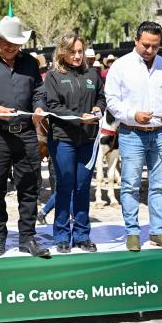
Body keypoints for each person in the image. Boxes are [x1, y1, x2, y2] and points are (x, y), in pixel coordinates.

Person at [0, 14, 50, 258]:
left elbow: (38, 90)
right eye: (6, 41)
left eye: (15, 43)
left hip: (26, 134)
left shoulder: (30, 63)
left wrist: (38, 107)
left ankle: (27, 237)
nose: (11, 46)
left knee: (29, 186)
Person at [104, 21, 162, 252]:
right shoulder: (120, 66)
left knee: (159, 184)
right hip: (131, 133)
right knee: (130, 185)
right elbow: (112, 100)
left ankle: (158, 231)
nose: (149, 50)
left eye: (155, 46)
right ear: (136, 41)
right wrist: (132, 115)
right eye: (145, 45)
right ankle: (132, 232)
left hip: (160, 133)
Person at [43, 32, 106, 253]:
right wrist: (78, 117)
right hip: (63, 139)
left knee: (82, 188)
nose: (78, 56)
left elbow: (101, 96)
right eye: (73, 52)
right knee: (65, 186)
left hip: (88, 139)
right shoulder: (53, 76)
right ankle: (61, 235)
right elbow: (52, 105)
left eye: (80, 51)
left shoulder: (93, 73)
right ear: (63, 52)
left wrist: (99, 108)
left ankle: (81, 235)